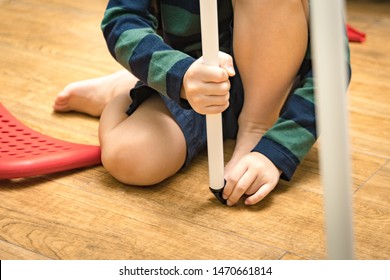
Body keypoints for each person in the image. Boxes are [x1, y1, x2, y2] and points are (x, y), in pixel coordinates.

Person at [53, 0, 350, 206]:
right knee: (128, 158)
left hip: (275, 91)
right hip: (190, 82)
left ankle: (256, 125)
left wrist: (275, 150)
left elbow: (333, 66)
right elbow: (122, 21)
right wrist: (181, 76)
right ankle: (128, 87)